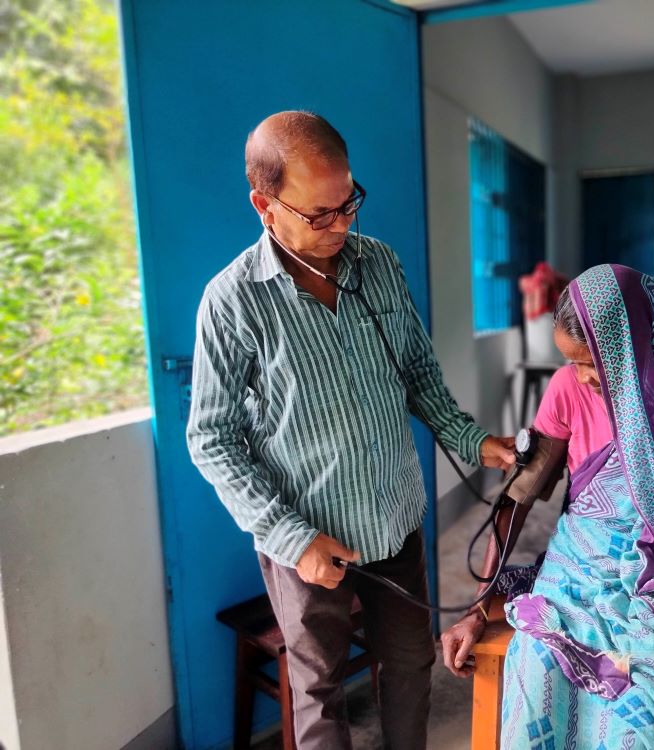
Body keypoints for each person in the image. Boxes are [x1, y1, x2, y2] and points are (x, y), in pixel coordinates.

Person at [186, 110, 515, 750]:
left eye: (349, 203)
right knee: (316, 692)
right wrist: (292, 536)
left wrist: (470, 438)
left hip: (394, 518)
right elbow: (212, 438)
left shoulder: (379, 265)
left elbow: (417, 370)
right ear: (265, 204)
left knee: (411, 666)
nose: (342, 224)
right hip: (307, 539)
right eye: (320, 214)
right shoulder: (232, 302)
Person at [441, 264, 654, 749]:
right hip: (574, 574)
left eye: (593, 363)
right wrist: (476, 607)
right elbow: (517, 500)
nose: (583, 377)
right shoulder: (569, 389)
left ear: (636, 349)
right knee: (538, 682)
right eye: (572, 361)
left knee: (647, 721)